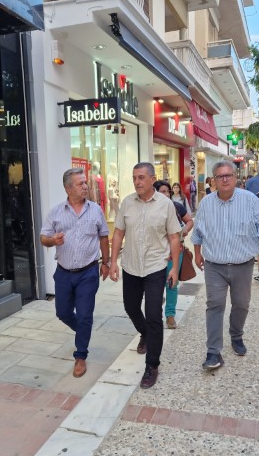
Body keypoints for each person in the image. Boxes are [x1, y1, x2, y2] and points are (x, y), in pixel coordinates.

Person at [191, 161, 259, 371]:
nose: (225, 179)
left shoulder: (250, 200)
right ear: (214, 180)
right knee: (215, 304)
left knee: (241, 304)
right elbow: (198, 231)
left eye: (228, 175)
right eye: (220, 176)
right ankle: (213, 351)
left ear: (235, 177)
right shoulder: (206, 203)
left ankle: (236, 335)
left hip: (242, 265)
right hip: (215, 265)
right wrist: (197, 253)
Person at [109, 162, 181, 389]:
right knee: (130, 307)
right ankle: (145, 333)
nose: (137, 182)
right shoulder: (127, 202)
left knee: (153, 314)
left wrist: (174, 268)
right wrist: (112, 262)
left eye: (141, 177)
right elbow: (118, 233)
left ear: (152, 179)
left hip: (155, 267)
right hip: (130, 265)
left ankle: (152, 366)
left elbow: (174, 237)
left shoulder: (166, 205)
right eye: (134, 178)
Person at [40, 168, 110, 378]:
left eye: (85, 182)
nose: (85, 186)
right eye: (80, 183)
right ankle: (83, 329)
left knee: (85, 314)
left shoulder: (95, 210)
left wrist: (106, 263)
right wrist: (52, 240)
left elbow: (104, 236)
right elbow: (43, 238)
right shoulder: (55, 212)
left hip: (88, 272)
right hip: (63, 273)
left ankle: (80, 355)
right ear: (68, 188)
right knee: (62, 312)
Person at [154, 180, 194, 329]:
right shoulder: (150, 209)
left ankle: (170, 315)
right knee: (155, 284)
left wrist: (185, 231)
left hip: (175, 251)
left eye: (167, 191)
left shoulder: (176, 206)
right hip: (156, 252)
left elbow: (189, 221)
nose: (165, 194)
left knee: (171, 283)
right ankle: (155, 310)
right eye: (162, 191)